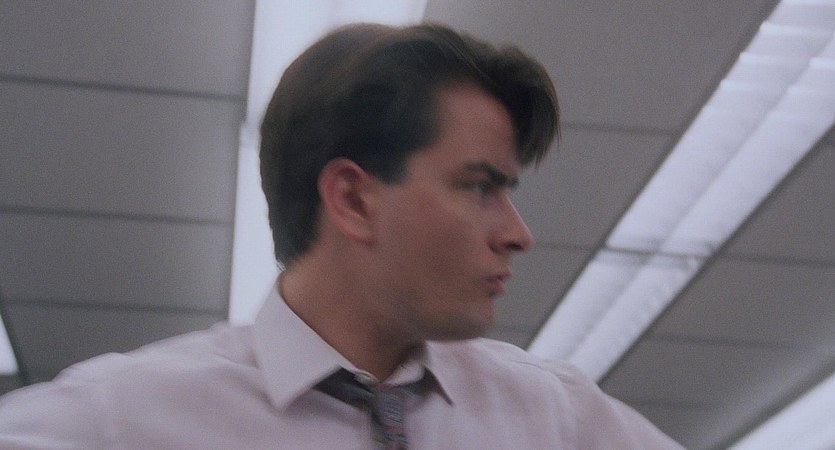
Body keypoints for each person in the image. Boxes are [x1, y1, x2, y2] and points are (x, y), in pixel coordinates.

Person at [0, 23, 683, 448]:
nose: (518, 234)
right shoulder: (119, 420)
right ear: (353, 199)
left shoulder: (557, 419)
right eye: (479, 187)